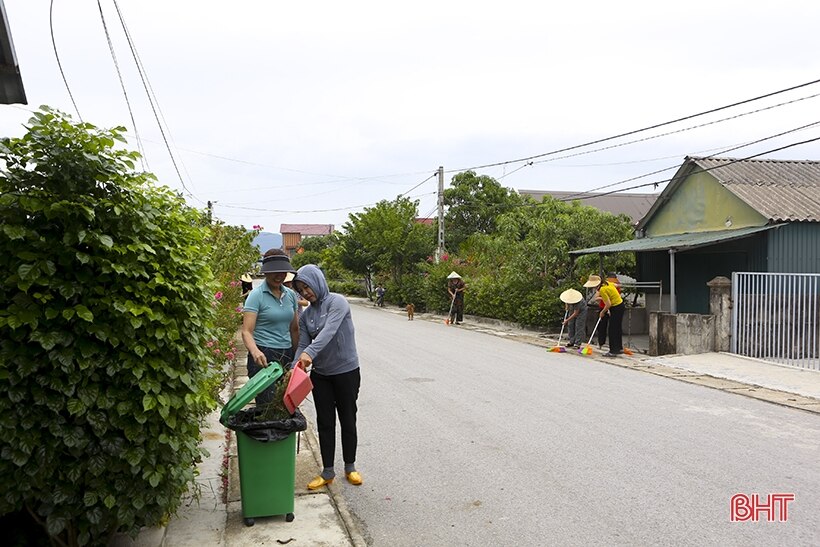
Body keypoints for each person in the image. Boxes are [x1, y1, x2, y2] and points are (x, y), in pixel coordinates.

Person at [292, 264, 363, 490]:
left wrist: (309, 354)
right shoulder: (306, 315)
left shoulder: (337, 302)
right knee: (325, 422)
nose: (305, 292)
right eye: (301, 289)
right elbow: (303, 342)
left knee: (348, 419)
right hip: (321, 375)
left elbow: (328, 332)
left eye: (307, 286)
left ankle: (350, 467)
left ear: (318, 281)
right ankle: (327, 471)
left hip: (346, 372)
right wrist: (295, 367)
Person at [240, 250, 299, 407]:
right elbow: (246, 331)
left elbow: (294, 329)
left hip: (286, 353)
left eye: (282, 271)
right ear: (266, 272)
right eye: (274, 272)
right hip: (263, 354)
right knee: (267, 405)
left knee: (284, 404)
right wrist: (255, 351)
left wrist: (297, 356)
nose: (279, 276)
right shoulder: (256, 295)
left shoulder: (291, 296)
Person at [597, 274, 625, 357]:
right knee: (617, 328)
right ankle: (619, 348)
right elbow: (616, 285)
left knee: (612, 329)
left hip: (616, 307)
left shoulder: (602, 289)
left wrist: (602, 312)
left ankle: (613, 351)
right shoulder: (608, 283)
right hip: (619, 305)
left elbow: (608, 304)